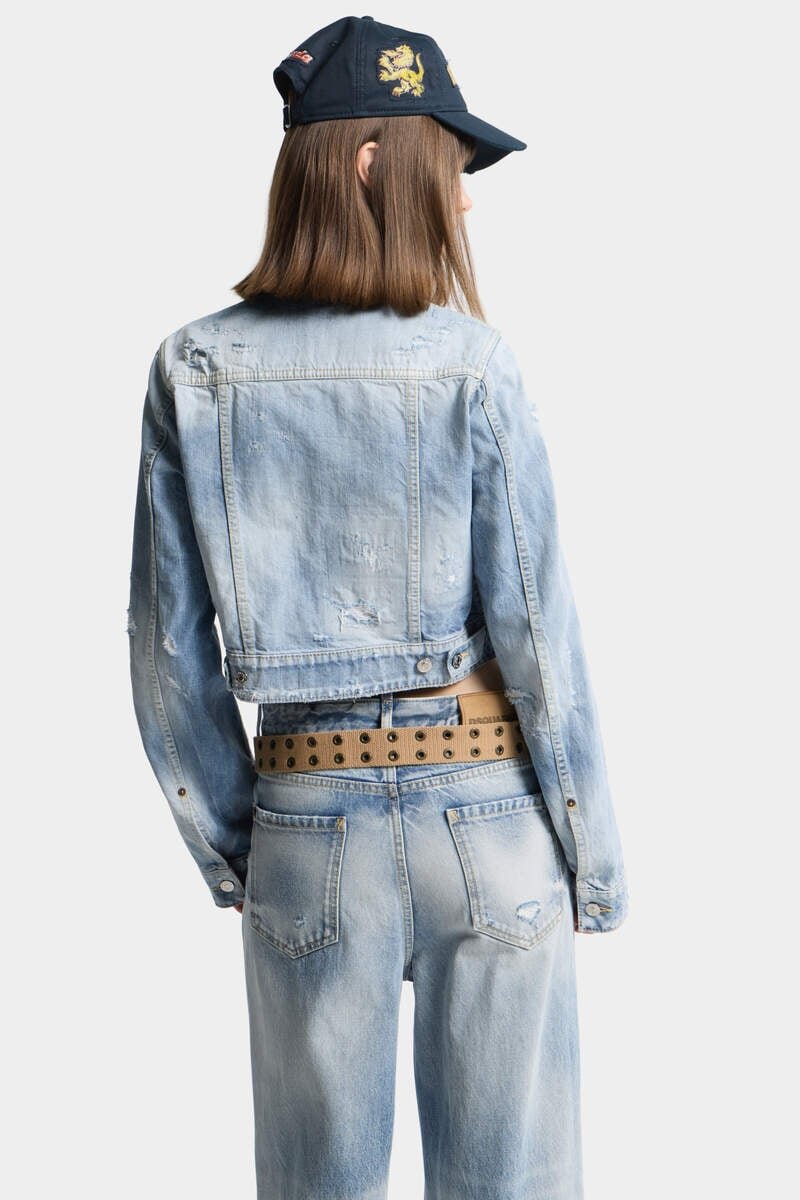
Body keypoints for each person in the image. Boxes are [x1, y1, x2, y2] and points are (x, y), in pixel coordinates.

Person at [127, 15, 629, 1199]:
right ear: (369, 164)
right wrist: (592, 857)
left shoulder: (195, 367)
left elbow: (165, 651)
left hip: (308, 827)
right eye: (447, 166)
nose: (463, 197)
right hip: (487, 824)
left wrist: (243, 848)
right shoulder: (470, 362)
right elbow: (537, 635)